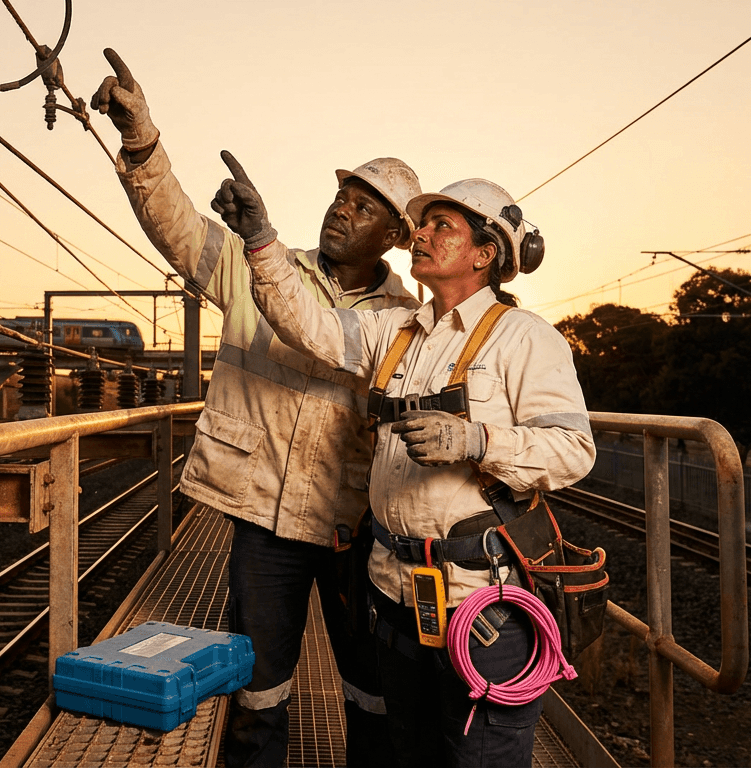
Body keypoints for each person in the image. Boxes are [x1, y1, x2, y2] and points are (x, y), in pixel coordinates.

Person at [91, 49, 421, 767]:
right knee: (258, 693)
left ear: (394, 238)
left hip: (354, 528)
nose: (342, 209)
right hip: (265, 523)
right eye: (342, 196)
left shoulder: (407, 321)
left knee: (372, 694)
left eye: (364, 206)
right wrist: (141, 140)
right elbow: (178, 226)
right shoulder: (256, 266)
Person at [212, 158, 596, 767]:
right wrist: (261, 241)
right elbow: (307, 324)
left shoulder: (524, 338)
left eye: (442, 226)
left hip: (480, 604)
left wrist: (476, 441)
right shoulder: (395, 330)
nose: (421, 234)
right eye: (423, 224)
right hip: (397, 596)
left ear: (485, 253)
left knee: (477, 758)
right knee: (407, 753)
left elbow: (574, 449)